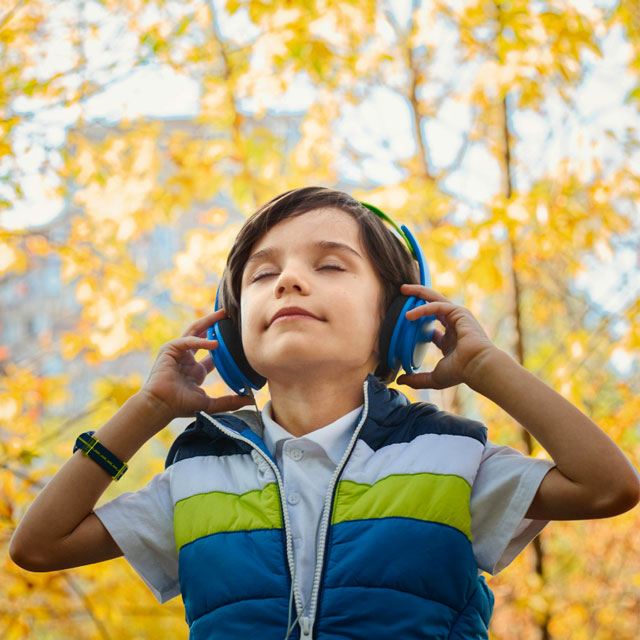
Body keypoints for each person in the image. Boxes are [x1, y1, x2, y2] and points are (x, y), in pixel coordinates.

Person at [9, 186, 640, 639]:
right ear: (231, 339)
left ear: (395, 323)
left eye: (330, 264)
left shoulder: (449, 459)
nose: (287, 281)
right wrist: (147, 410)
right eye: (262, 275)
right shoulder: (197, 477)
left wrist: (485, 366)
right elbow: (37, 546)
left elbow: (608, 485)